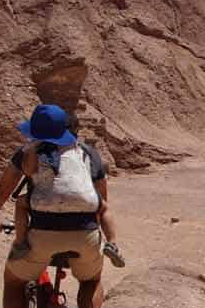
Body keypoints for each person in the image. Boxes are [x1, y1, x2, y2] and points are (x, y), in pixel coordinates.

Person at [0, 104, 112, 308]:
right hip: (84, 233)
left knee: (14, 283)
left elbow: (4, 190)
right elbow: (101, 202)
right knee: (92, 280)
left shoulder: (28, 153)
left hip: (41, 235)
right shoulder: (89, 155)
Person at [11, 111, 125, 269]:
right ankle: (112, 243)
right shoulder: (85, 151)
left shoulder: (36, 148)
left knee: (21, 203)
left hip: (44, 209)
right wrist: (94, 218)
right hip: (84, 208)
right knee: (104, 206)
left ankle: (20, 243)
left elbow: (27, 172)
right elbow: (101, 188)